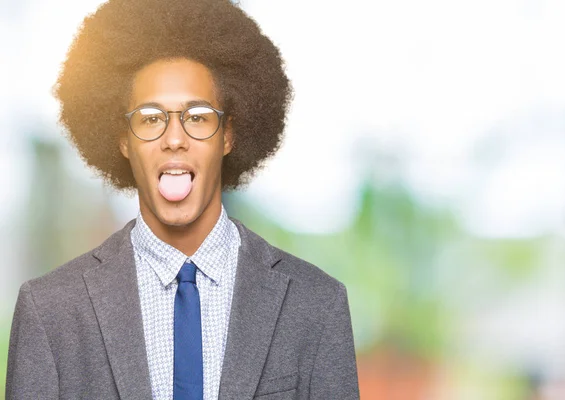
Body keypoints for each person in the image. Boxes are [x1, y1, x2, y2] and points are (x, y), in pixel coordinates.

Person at [5, 0, 360, 399]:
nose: (175, 138)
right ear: (123, 140)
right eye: (151, 118)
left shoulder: (314, 304)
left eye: (197, 116)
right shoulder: (50, 310)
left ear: (228, 135)